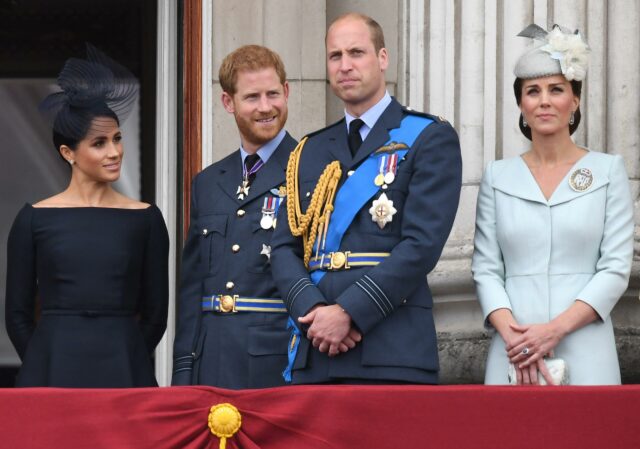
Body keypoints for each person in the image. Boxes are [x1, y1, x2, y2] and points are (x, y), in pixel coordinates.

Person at [270, 13, 462, 384]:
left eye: (356, 52)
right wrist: (313, 311)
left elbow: (421, 246)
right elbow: (283, 248)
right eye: (335, 56)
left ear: (383, 58)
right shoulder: (308, 150)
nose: (345, 66)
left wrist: (349, 312)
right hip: (316, 349)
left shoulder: (427, 137)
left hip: (391, 348)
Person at [472, 24, 633, 385]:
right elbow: (485, 269)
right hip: (513, 349)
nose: (544, 100)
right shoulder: (497, 176)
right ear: (521, 104)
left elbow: (615, 268)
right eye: (533, 91)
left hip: (585, 344)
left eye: (556, 89)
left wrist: (554, 330)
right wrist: (515, 335)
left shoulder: (607, 171)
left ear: (574, 100)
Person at [5, 45, 169, 388]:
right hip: (50, 375)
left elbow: (156, 317)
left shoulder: (146, 219)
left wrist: (128, 356)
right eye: (99, 143)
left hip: (125, 374)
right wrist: (43, 360)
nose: (114, 152)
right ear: (69, 153)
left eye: (117, 139)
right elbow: (17, 316)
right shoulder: (33, 219)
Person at [172, 45, 297, 388]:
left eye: (273, 94)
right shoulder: (209, 182)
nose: (265, 107)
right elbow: (193, 288)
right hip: (210, 362)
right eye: (252, 97)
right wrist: (184, 372)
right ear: (228, 103)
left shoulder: (312, 169)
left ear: (286, 92)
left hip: (277, 365)